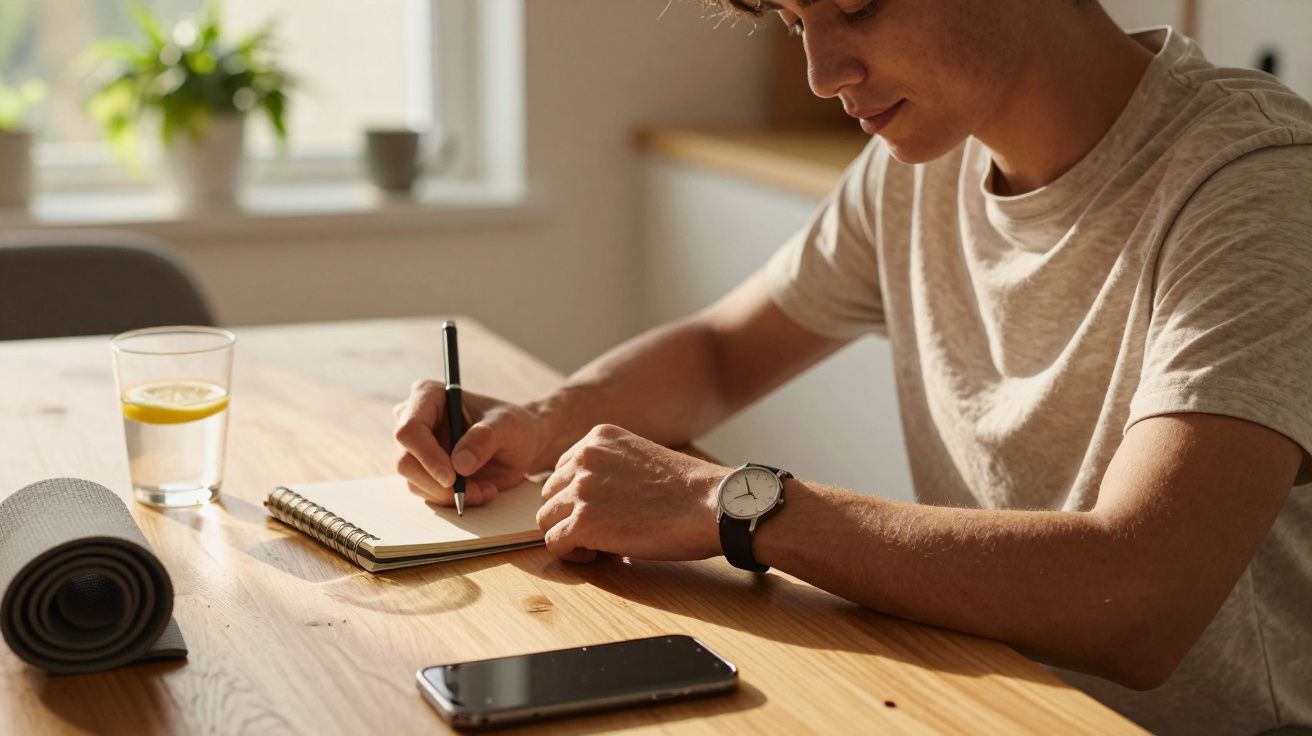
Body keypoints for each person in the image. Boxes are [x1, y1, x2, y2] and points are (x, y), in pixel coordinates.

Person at [393, 1, 1312, 733]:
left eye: (858, 8)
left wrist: (733, 504)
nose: (823, 75)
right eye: (798, 22)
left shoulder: (1256, 180)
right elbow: (718, 354)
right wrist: (541, 421)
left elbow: (1138, 597)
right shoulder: (922, 162)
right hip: (982, 700)